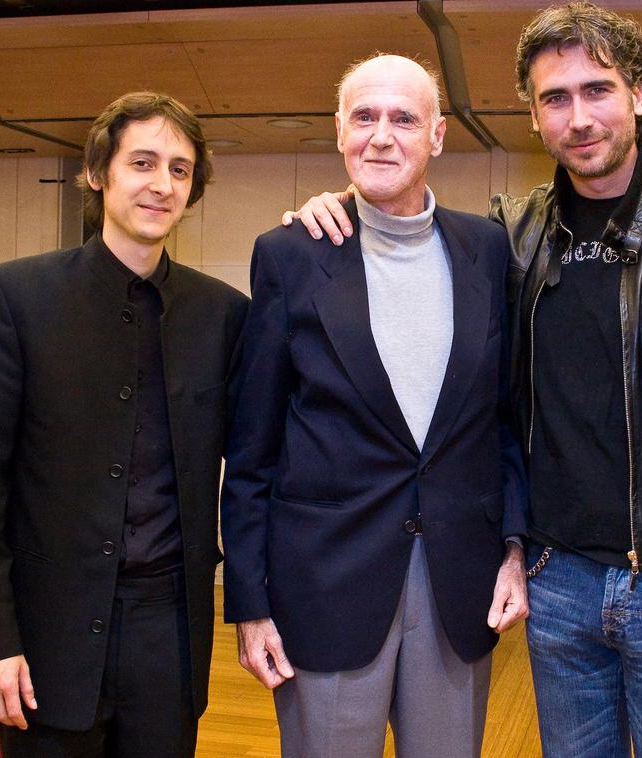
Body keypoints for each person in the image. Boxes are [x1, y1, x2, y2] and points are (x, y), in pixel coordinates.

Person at [285, 5, 642, 755]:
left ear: (639, 96)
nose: (579, 117)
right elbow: (414, 242)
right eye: (554, 98)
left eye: (597, 90)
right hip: (556, 581)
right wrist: (338, 211)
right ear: (533, 117)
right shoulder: (511, 234)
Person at [220, 54, 528, 758]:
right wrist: (249, 602)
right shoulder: (290, 253)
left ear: (439, 136)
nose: (381, 136)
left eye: (403, 119)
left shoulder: (486, 251)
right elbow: (252, 448)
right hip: (324, 588)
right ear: (338, 131)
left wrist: (514, 546)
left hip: (458, 585)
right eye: (364, 117)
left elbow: (503, 421)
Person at [0, 92, 249, 756]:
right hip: (45, 634)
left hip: (169, 636)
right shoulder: (14, 297)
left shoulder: (223, 315)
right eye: (142, 162)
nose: (161, 184)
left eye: (179, 169)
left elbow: (255, 471)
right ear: (98, 171)